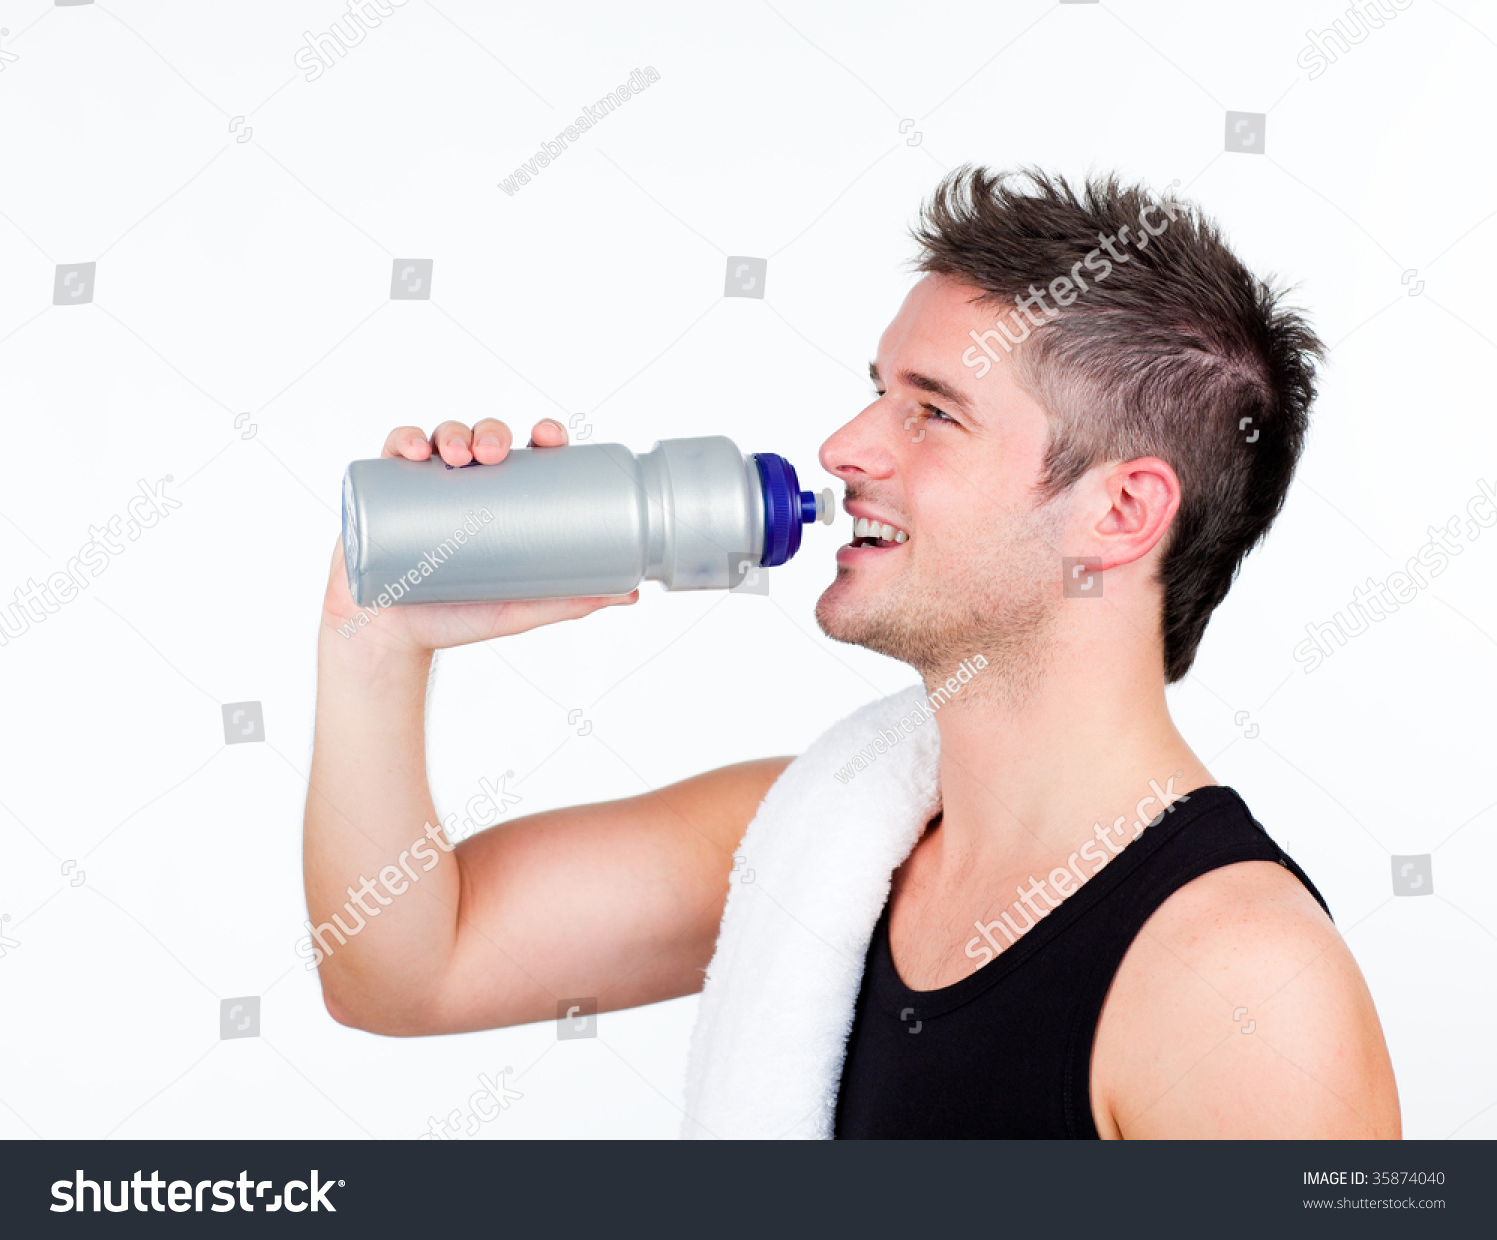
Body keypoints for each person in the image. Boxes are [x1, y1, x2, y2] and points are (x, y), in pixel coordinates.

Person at [303, 167, 1400, 1138]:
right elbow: (405, 972)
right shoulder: (810, 840)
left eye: (933, 412)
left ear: (1119, 513)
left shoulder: (1239, 986)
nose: (843, 446)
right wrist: (375, 635)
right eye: (880, 391)